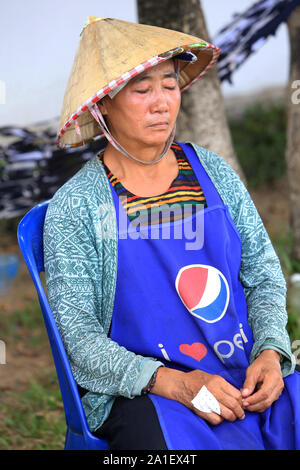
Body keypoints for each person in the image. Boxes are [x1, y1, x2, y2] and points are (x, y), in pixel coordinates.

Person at [43, 17, 300, 450]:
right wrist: (175, 383)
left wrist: (272, 350)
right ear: (103, 105)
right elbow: (80, 339)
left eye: (169, 84)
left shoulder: (212, 172)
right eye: (142, 90)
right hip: (152, 393)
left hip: (245, 374)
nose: (161, 103)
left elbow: (262, 273)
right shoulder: (78, 207)